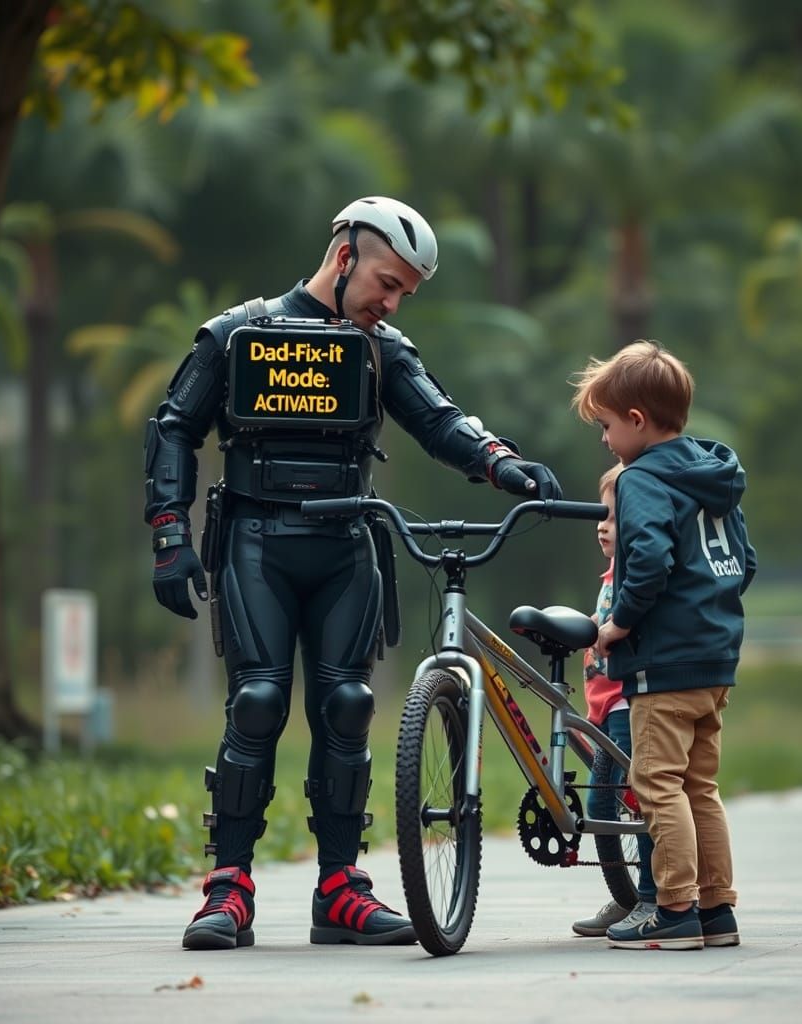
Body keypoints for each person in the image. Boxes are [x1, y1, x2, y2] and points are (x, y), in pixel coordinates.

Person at [144, 196, 562, 951]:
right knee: (258, 702)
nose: (393, 301)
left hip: (346, 549)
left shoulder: (380, 349)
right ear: (344, 257)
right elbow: (176, 423)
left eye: (406, 292)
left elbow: (439, 419)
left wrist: (501, 463)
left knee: (348, 705)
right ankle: (227, 888)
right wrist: (170, 533)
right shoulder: (240, 333)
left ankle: (340, 888)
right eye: (388, 282)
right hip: (256, 543)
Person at [571, 340, 756, 951]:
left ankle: (673, 909)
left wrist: (617, 624)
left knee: (657, 783)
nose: (604, 440)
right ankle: (716, 910)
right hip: (715, 658)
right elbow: (743, 563)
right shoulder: (714, 475)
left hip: (663, 664)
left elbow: (646, 559)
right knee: (701, 786)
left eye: (604, 426)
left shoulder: (640, 480)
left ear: (636, 421)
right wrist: (711, 611)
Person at [571, 463, 657, 937]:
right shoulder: (609, 578)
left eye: (612, 517)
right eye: (599, 516)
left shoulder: (632, 581)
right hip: (603, 709)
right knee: (602, 807)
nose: (601, 526)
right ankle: (626, 897)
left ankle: (649, 896)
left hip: (627, 704)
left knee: (638, 803)